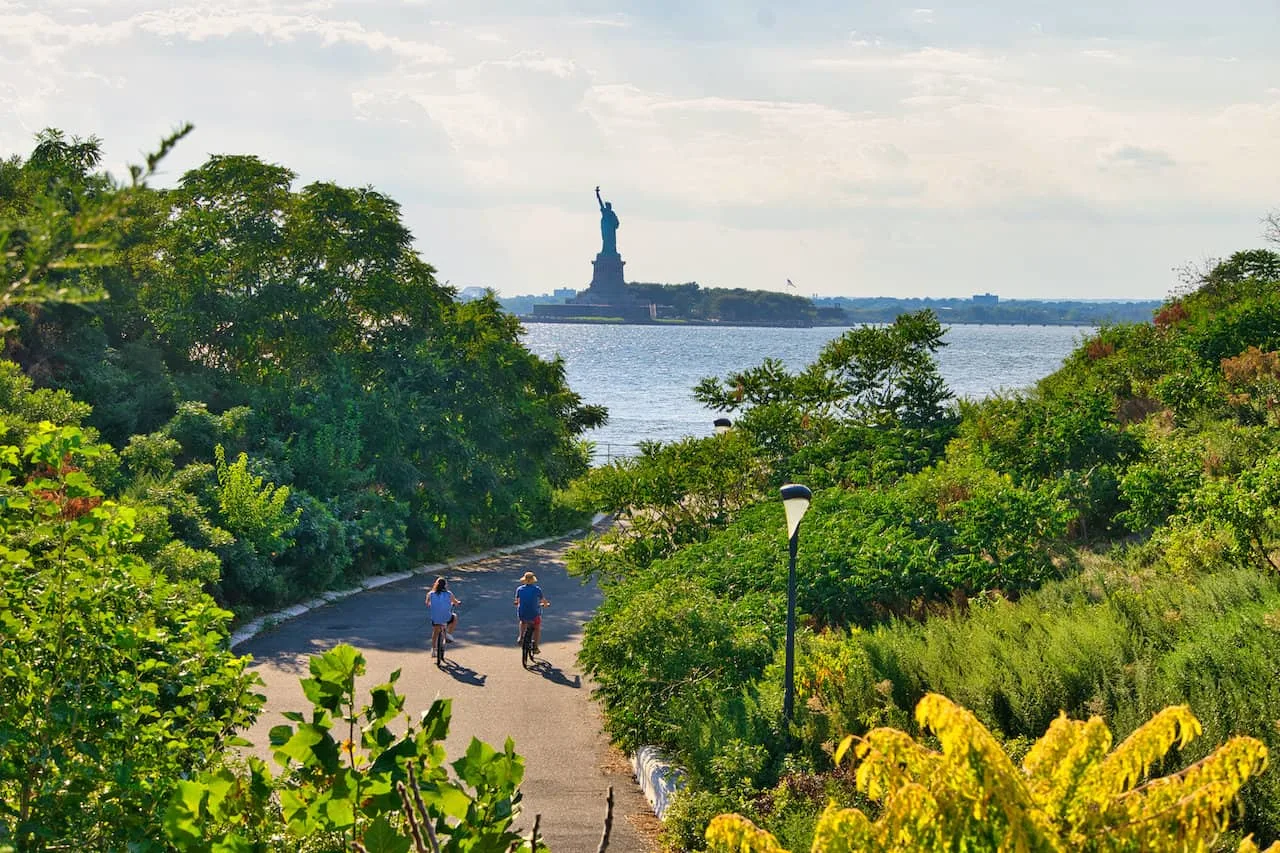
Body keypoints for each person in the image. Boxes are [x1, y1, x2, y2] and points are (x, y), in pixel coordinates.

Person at [514, 570, 549, 653]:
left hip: (523, 612)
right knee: (537, 628)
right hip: (534, 613)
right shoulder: (537, 589)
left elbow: (517, 601)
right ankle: (535, 647)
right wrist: (545, 604)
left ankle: (521, 636)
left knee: (522, 621)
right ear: (533, 580)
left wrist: (517, 603)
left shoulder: (519, 589)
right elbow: (543, 600)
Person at [426, 577, 460, 652]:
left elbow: (427, 604)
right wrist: (457, 603)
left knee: (435, 631)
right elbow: (455, 602)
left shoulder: (430, 594)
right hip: (446, 617)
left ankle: (433, 649)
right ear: (445, 585)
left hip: (436, 618)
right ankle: (448, 634)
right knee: (454, 616)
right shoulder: (449, 593)